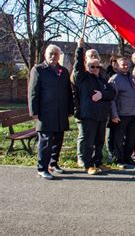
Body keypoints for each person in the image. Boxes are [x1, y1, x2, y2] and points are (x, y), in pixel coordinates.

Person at [28, 44, 73, 179]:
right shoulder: (38, 70)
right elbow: (33, 92)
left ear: (59, 56)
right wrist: (34, 111)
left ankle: (53, 163)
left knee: (58, 139)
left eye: (56, 54)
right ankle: (42, 168)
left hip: (60, 112)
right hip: (45, 113)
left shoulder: (63, 71)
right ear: (45, 55)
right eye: (51, 54)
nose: (53, 56)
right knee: (46, 142)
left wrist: (70, 109)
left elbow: (68, 92)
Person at [72, 38, 115, 175]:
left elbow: (112, 93)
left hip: (101, 115)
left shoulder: (102, 79)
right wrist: (79, 49)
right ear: (87, 66)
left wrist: (102, 95)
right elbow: (78, 66)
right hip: (88, 115)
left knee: (99, 141)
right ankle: (88, 164)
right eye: (92, 66)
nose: (95, 69)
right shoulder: (83, 77)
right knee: (88, 142)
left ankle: (98, 162)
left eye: (97, 66)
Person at [109, 57, 135, 168]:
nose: (126, 66)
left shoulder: (131, 78)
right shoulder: (115, 79)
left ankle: (128, 157)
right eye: (123, 64)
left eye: (127, 64)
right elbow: (112, 99)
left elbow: (134, 95)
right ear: (117, 66)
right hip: (121, 115)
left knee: (131, 138)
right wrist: (114, 115)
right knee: (118, 139)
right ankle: (118, 159)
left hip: (133, 114)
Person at [72, 46, 101, 167]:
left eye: (95, 55)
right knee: (84, 136)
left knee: (95, 138)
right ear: (85, 59)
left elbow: (108, 90)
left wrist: (102, 94)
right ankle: (81, 158)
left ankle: (96, 160)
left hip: (98, 112)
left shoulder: (99, 73)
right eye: (90, 55)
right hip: (82, 110)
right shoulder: (80, 73)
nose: (93, 57)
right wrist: (79, 48)